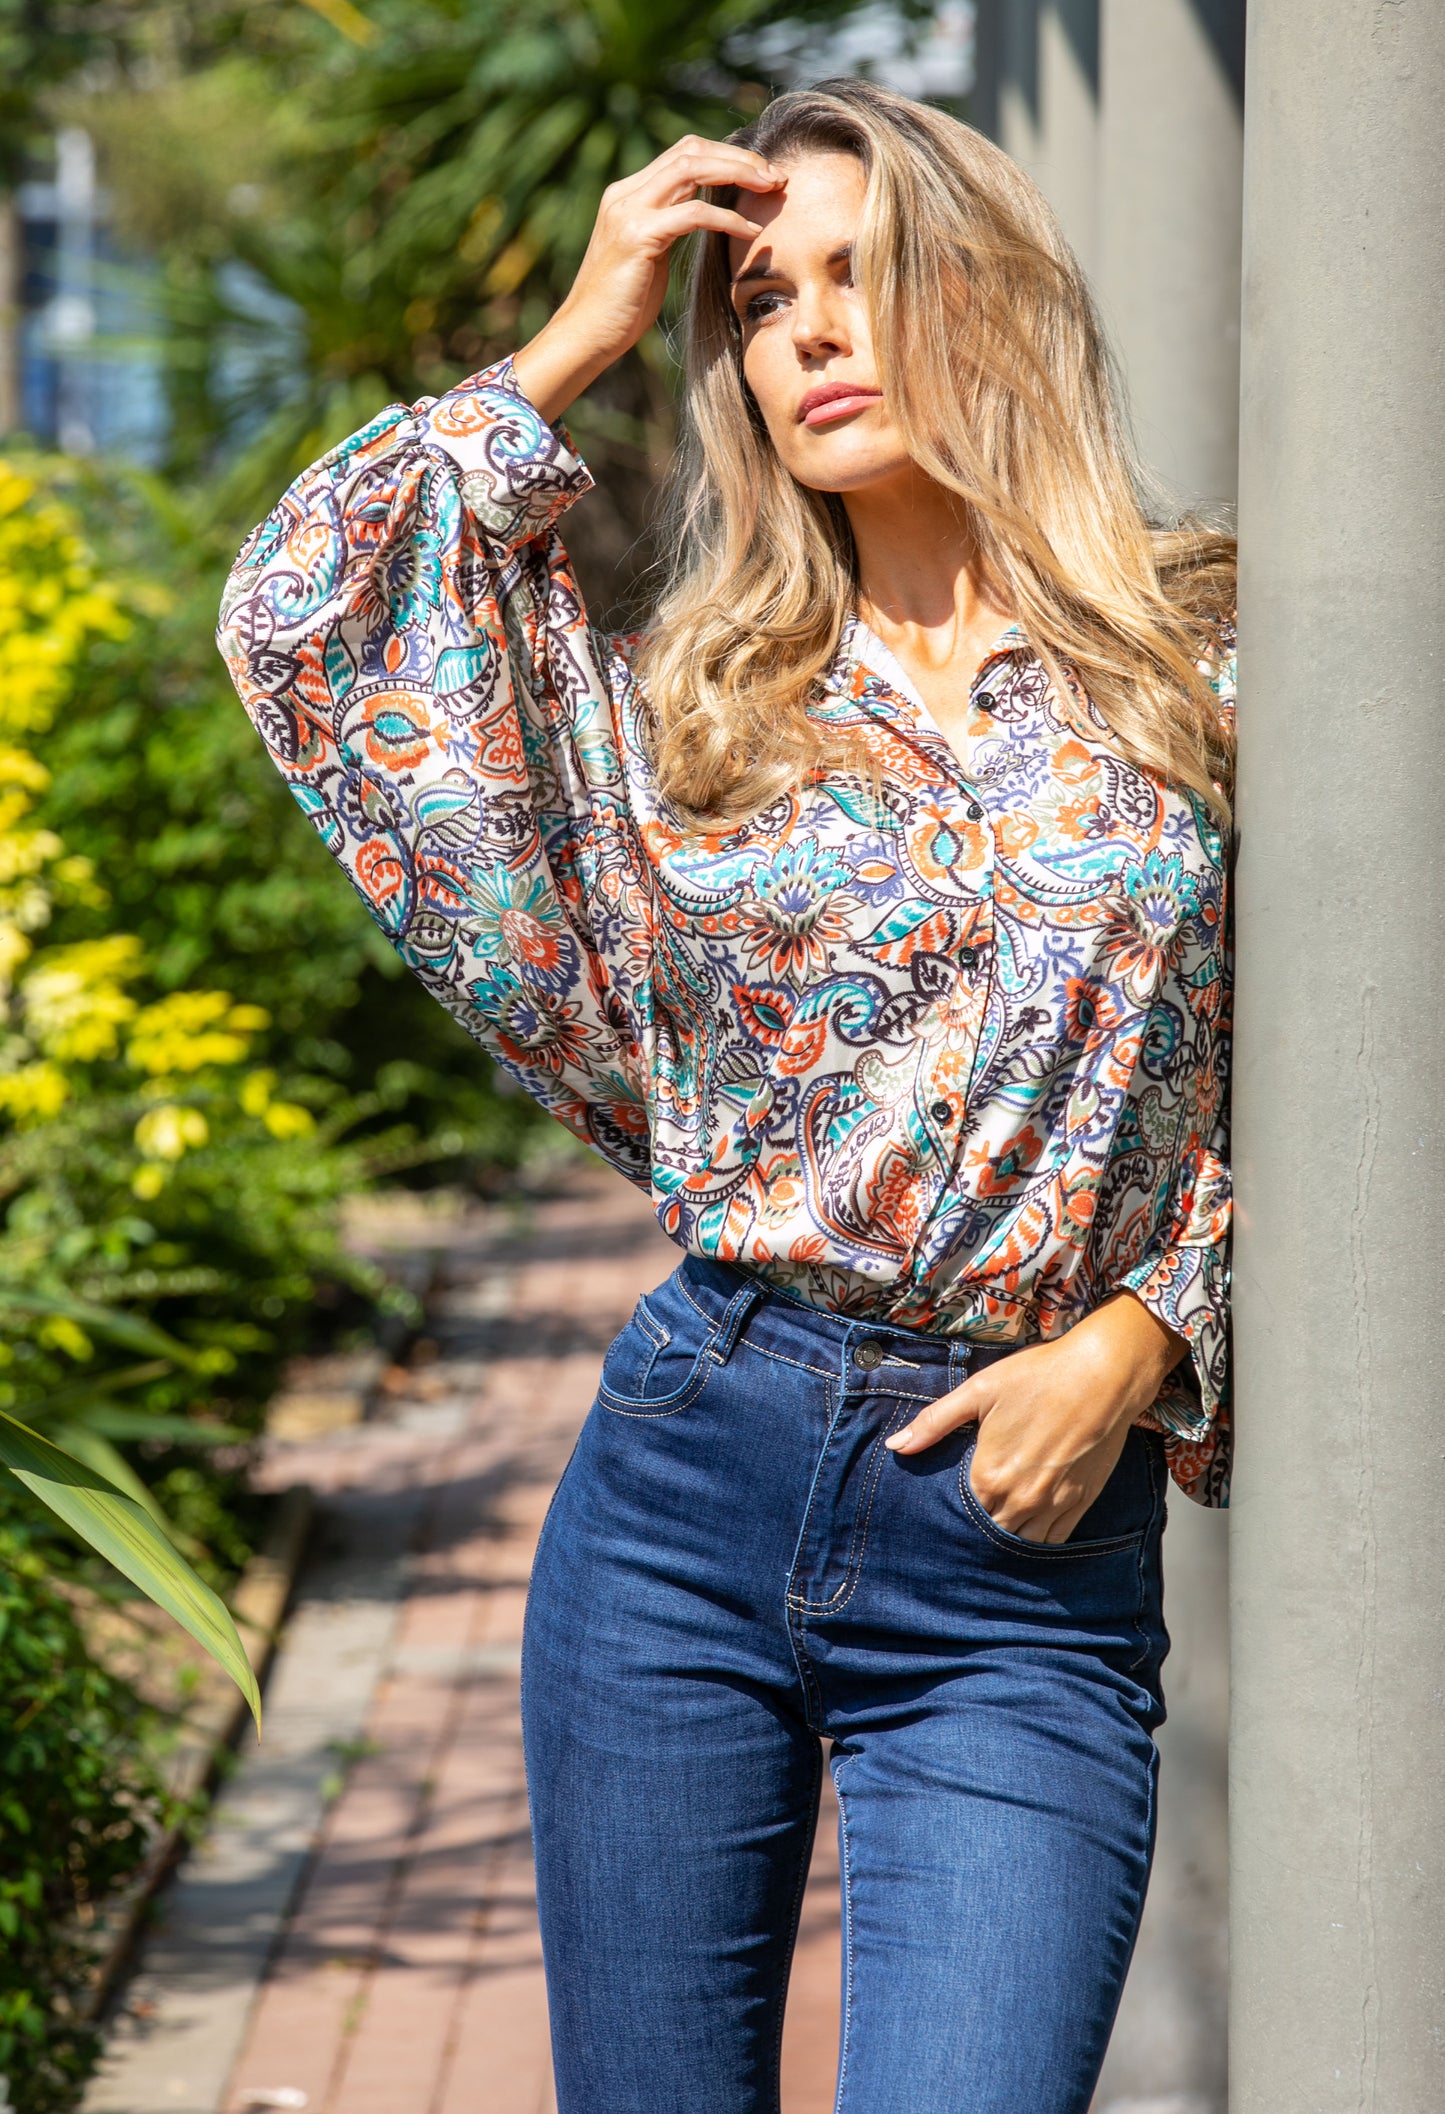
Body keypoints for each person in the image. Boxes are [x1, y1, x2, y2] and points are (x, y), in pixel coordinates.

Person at [219, 77, 1234, 2114]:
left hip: (1017, 1548)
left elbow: (1384, 1086)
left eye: (870, 276)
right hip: (687, 1484)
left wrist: (1150, 1331)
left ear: (996, 296)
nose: (818, 333)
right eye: (768, 301)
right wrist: (577, 333)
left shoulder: (1203, 668)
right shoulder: (696, 712)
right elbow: (304, 619)